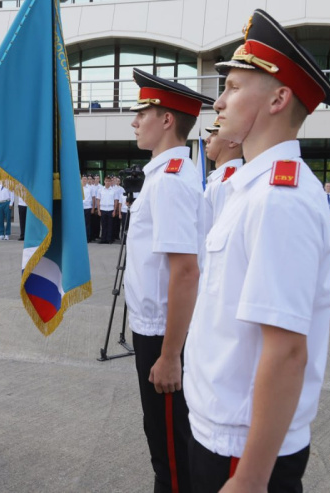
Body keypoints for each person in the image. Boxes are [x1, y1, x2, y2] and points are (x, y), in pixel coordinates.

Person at [183, 8, 330, 492]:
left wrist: (251, 478)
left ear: (278, 99)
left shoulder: (279, 199)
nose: (218, 102)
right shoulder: (249, 189)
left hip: (241, 450)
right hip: (219, 432)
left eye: (233, 87)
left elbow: (287, 351)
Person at [126, 68, 212, 492]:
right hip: (157, 330)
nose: (134, 121)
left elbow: (185, 270)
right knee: (167, 443)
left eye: (142, 113)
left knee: (172, 458)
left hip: (164, 333)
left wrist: (170, 355)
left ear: (166, 119)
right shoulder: (165, 176)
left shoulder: (171, 181)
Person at [203, 117, 243, 230]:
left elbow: (220, 231)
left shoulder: (226, 182)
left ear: (232, 141)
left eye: (214, 134)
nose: (207, 139)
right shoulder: (221, 179)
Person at [96, 176, 117, 244]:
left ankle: (109, 239)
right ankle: (103, 239)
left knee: (110, 225)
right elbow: (98, 200)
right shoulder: (100, 190)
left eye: (109, 181)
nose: (107, 182)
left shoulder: (113, 190)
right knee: (103, 225)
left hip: (110, 209)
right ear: (104, 181)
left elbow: (115, 201)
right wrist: (98, 210)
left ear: (110, 182)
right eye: (106, 181)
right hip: (103, 209)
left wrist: (114, 211)